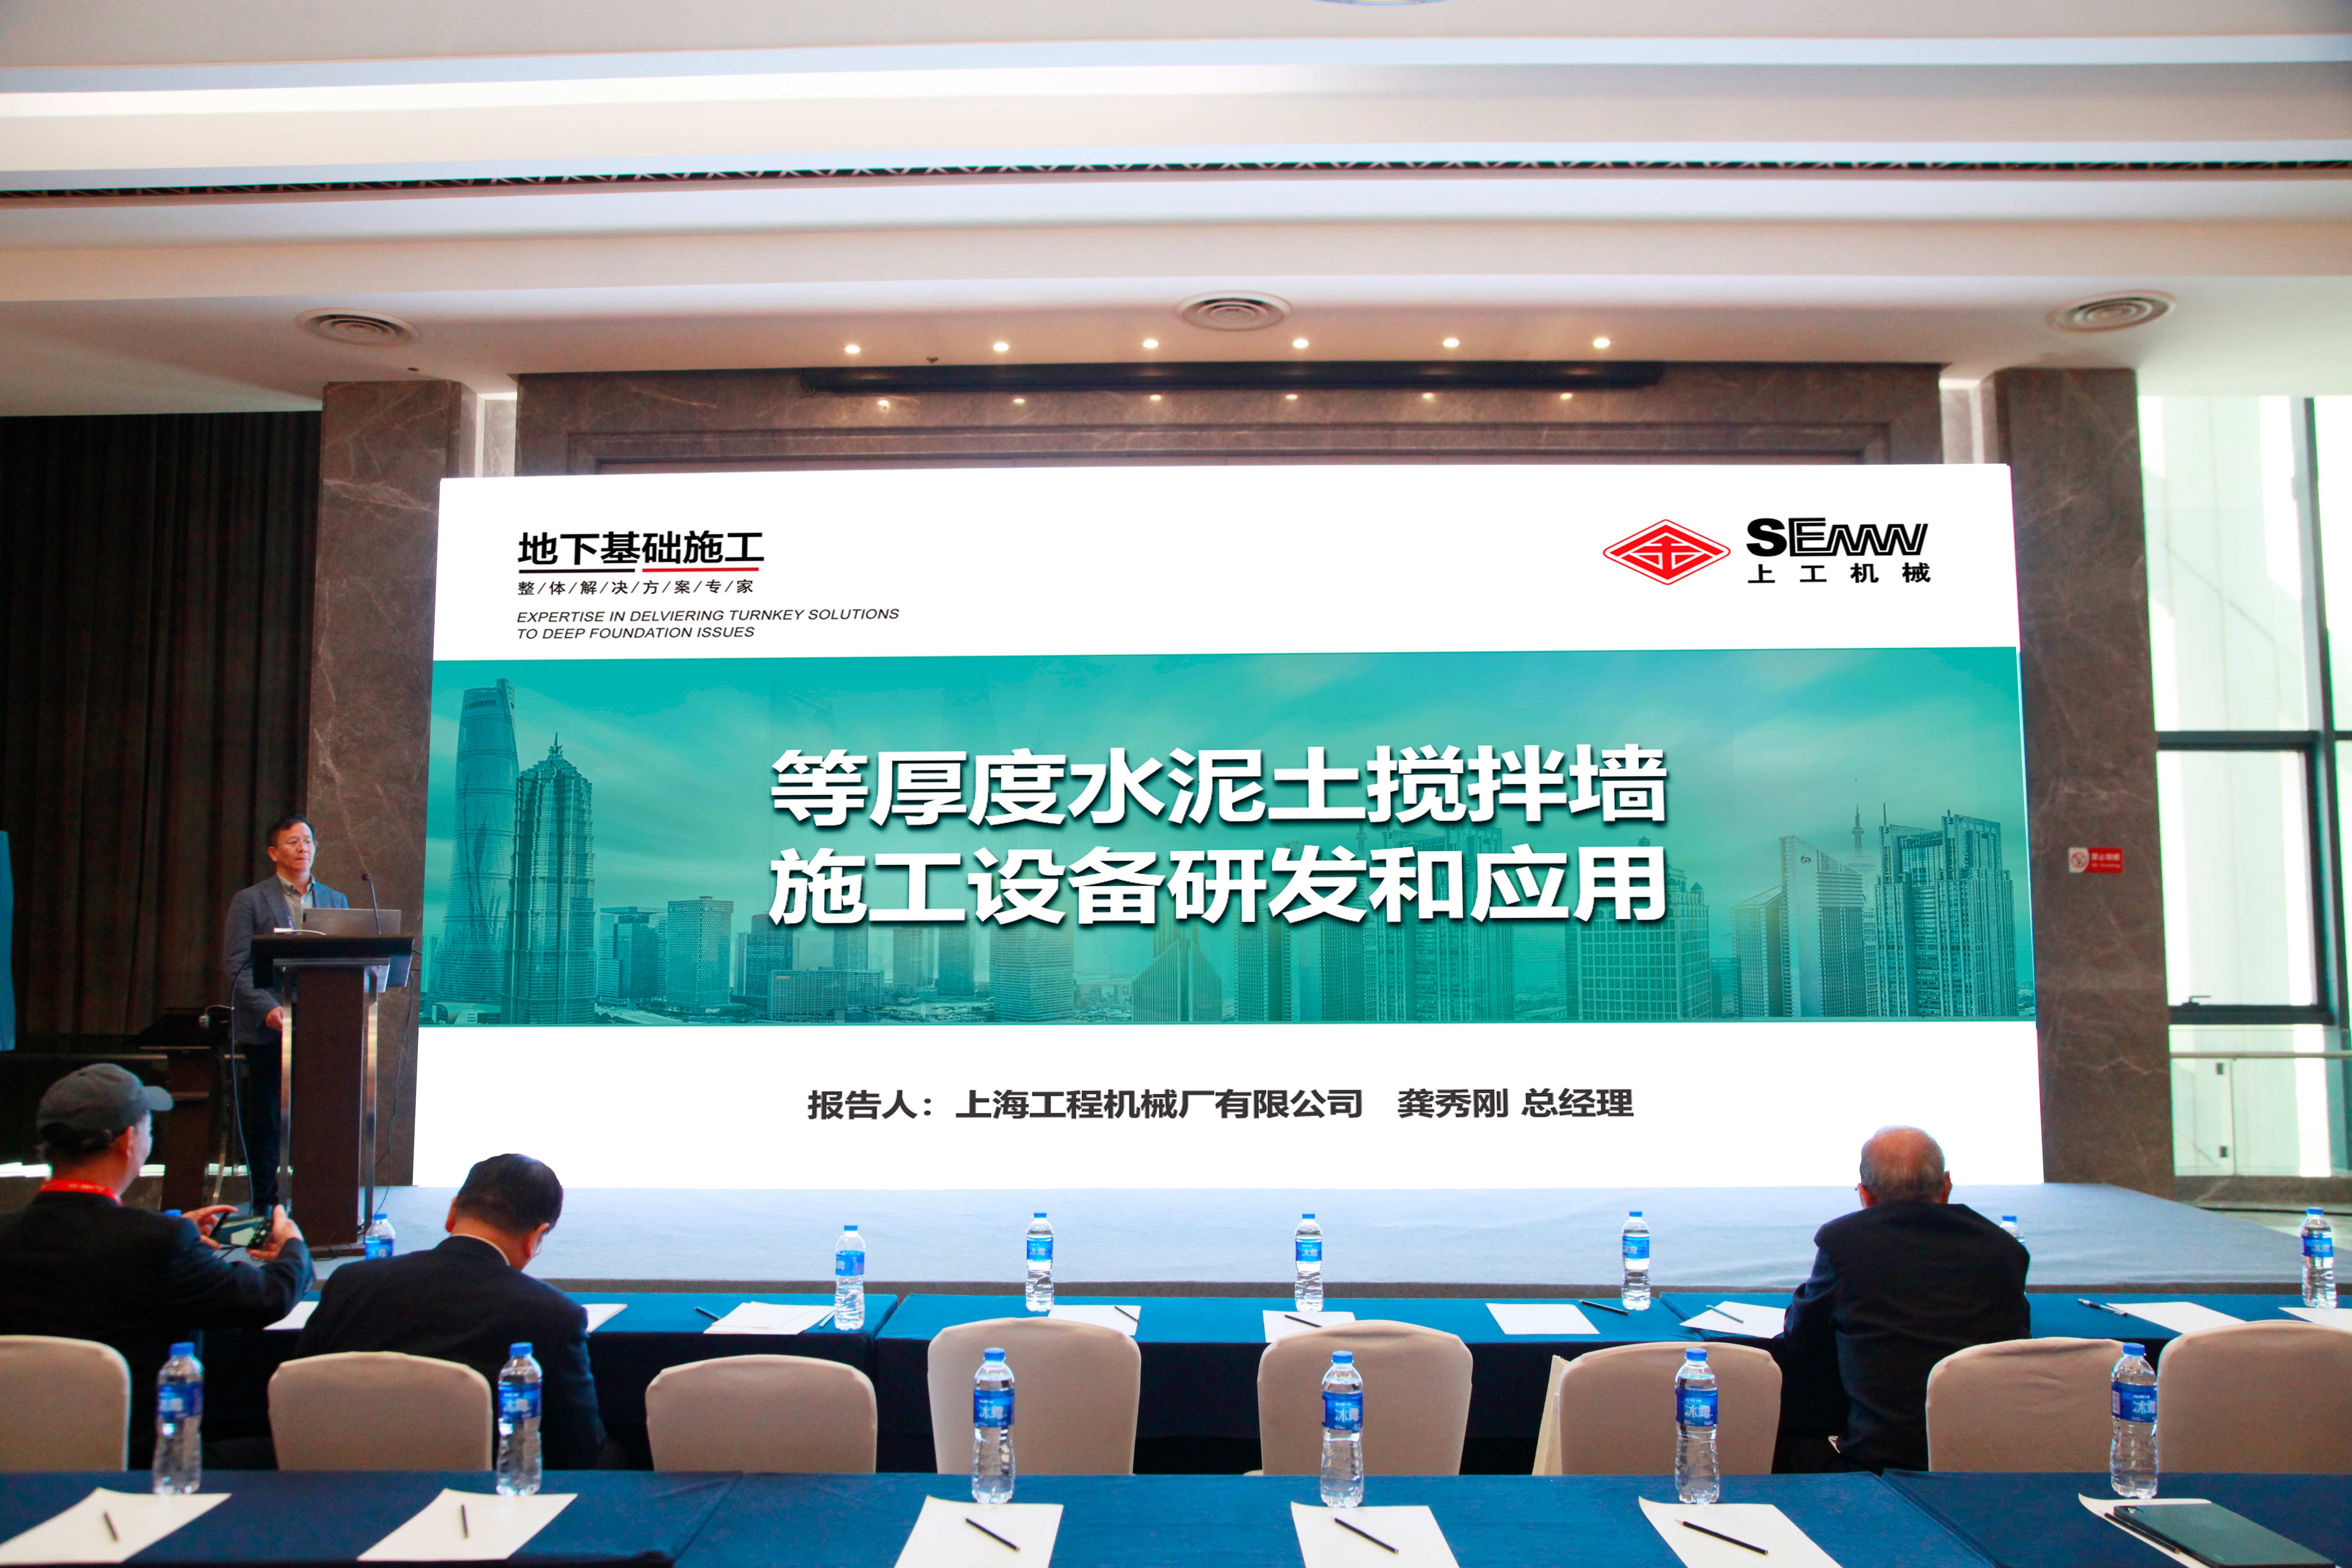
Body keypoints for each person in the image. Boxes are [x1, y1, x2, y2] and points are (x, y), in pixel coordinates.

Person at [0, 1063, 311, 1462]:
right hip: (146, 1467)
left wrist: (168, 1230)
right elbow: (266, 1299)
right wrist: (293, 1249)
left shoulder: (9, 1234)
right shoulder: (161, 1244)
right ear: (130, 1140)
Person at [294, 1153, 617, 1469]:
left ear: (452, 1212)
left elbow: (300, 1392)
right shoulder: (555, 1316)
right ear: (535, 1237)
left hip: (339, 1483)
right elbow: (581, 1453)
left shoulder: (350, 1283)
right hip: (485, 1495)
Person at [1772, 1125, 2029, 1473]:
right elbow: (2017, 1338)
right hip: (1985, 1463)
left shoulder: (1845, 1242)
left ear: (1865, 1195)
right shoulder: (2004, 1248)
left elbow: (1804, 1337)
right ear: (1947, 1186)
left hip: (1876, 1464)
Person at [221, 815, 348, 1212]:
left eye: (308, 841)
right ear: (274, 852)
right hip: (269, 1027)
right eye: (293, 842)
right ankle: (265, 1206)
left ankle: (318, 1205)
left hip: (323, 1025)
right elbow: (237, 965)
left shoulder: (336, 901)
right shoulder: (250, 900)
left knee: (321, 1117)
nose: (303, 848)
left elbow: (348, 961)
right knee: (268, 1119)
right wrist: (268, 1009)